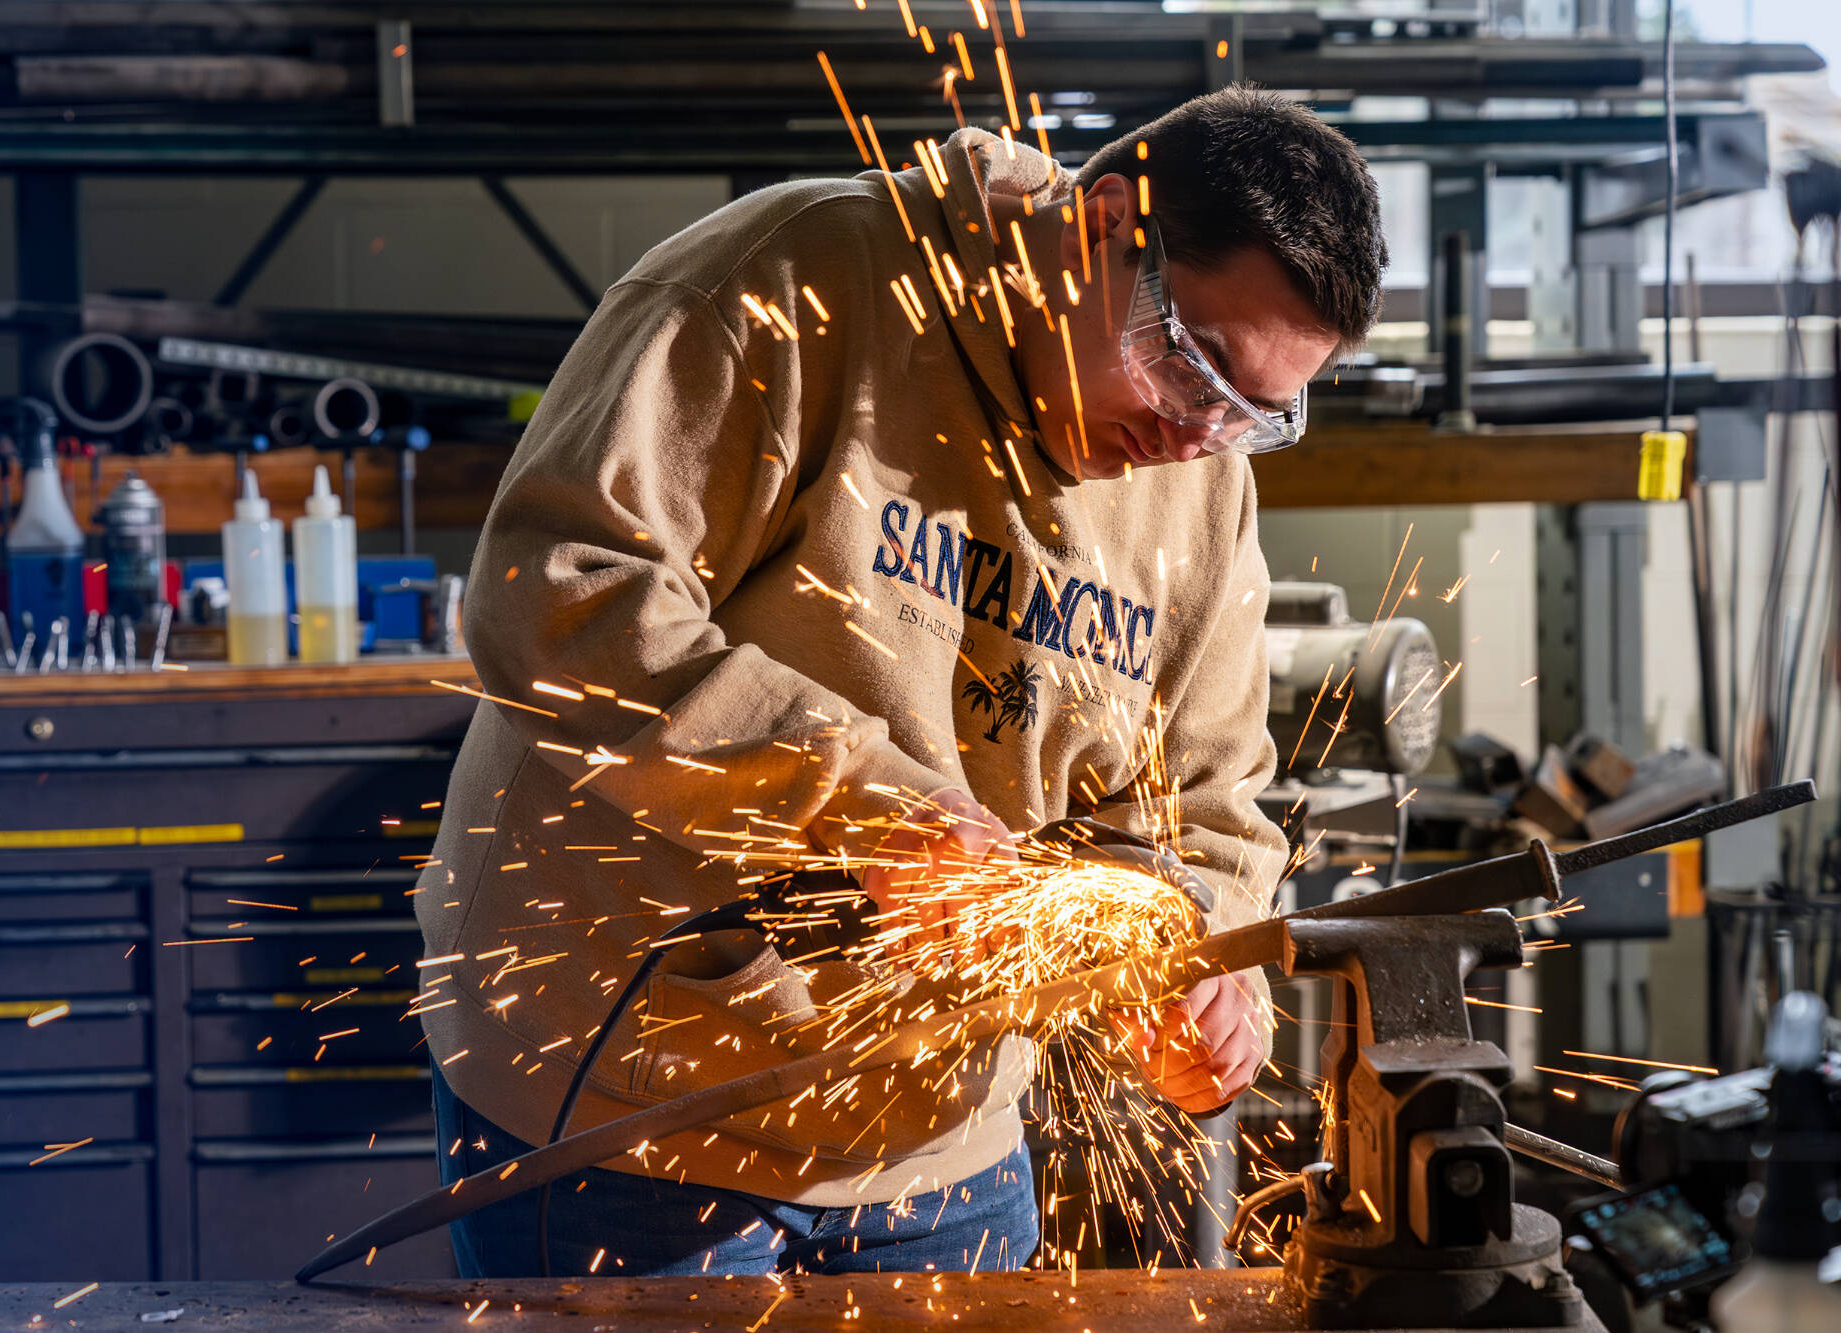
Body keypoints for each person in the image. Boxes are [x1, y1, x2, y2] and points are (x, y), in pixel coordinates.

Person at [415, 84, 1389, 1278]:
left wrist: (1195, 955)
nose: (1197, 434)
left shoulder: (1200, 480)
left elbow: (1206, 798)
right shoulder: (791, 286)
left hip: (940, 1135)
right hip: (634, 1088)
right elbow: (559, 598)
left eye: (1257, 413)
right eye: (1191, 368)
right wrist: (873, 812)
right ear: (1102, 226)